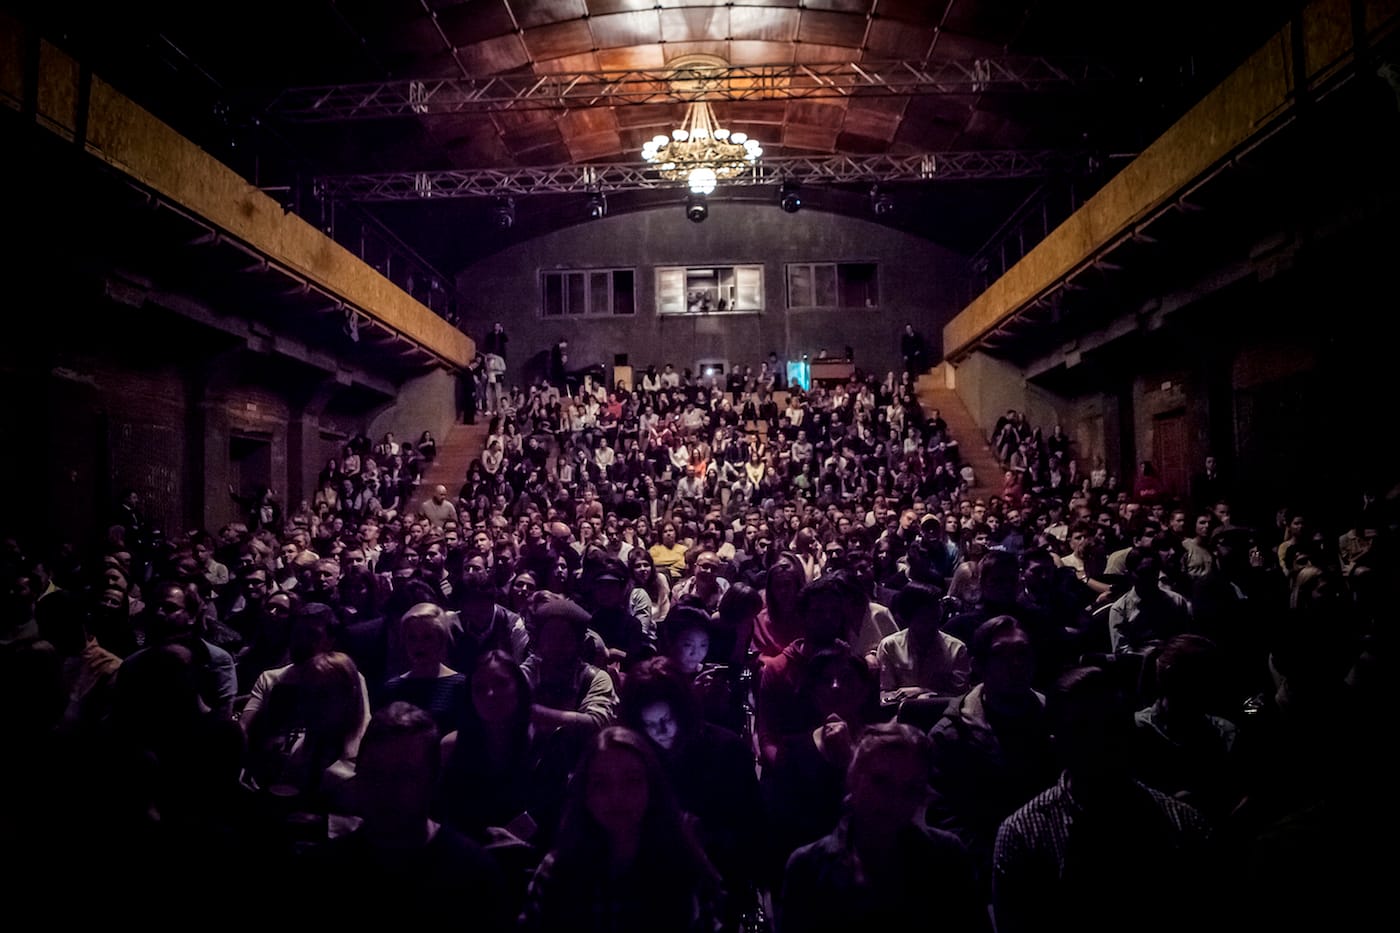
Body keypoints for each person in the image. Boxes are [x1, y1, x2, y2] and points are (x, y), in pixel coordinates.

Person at [992, 665, 1218, 933]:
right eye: (1083, 728)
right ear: (1056, 743)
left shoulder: (1186, 825)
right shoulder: (1022, 835)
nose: (1101, 742)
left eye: (1112, 725)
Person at [297, 702, 508, 926]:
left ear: (433, 779)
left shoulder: (473, 875)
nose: (386, 788)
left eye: (405, 775)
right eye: (375, 772)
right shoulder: (323, 871)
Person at [780, 724, 987, 933]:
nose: (893, 800)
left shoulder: (948, 858)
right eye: (880, 781)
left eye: (910, 789)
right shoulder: (808, 868)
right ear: (853, 777)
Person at [519, 727, 724, 933]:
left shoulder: (683, 865)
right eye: (601, 784)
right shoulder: (556, 870)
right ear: (585, 794)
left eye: (631, 781)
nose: (617, 796)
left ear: (651, 789)